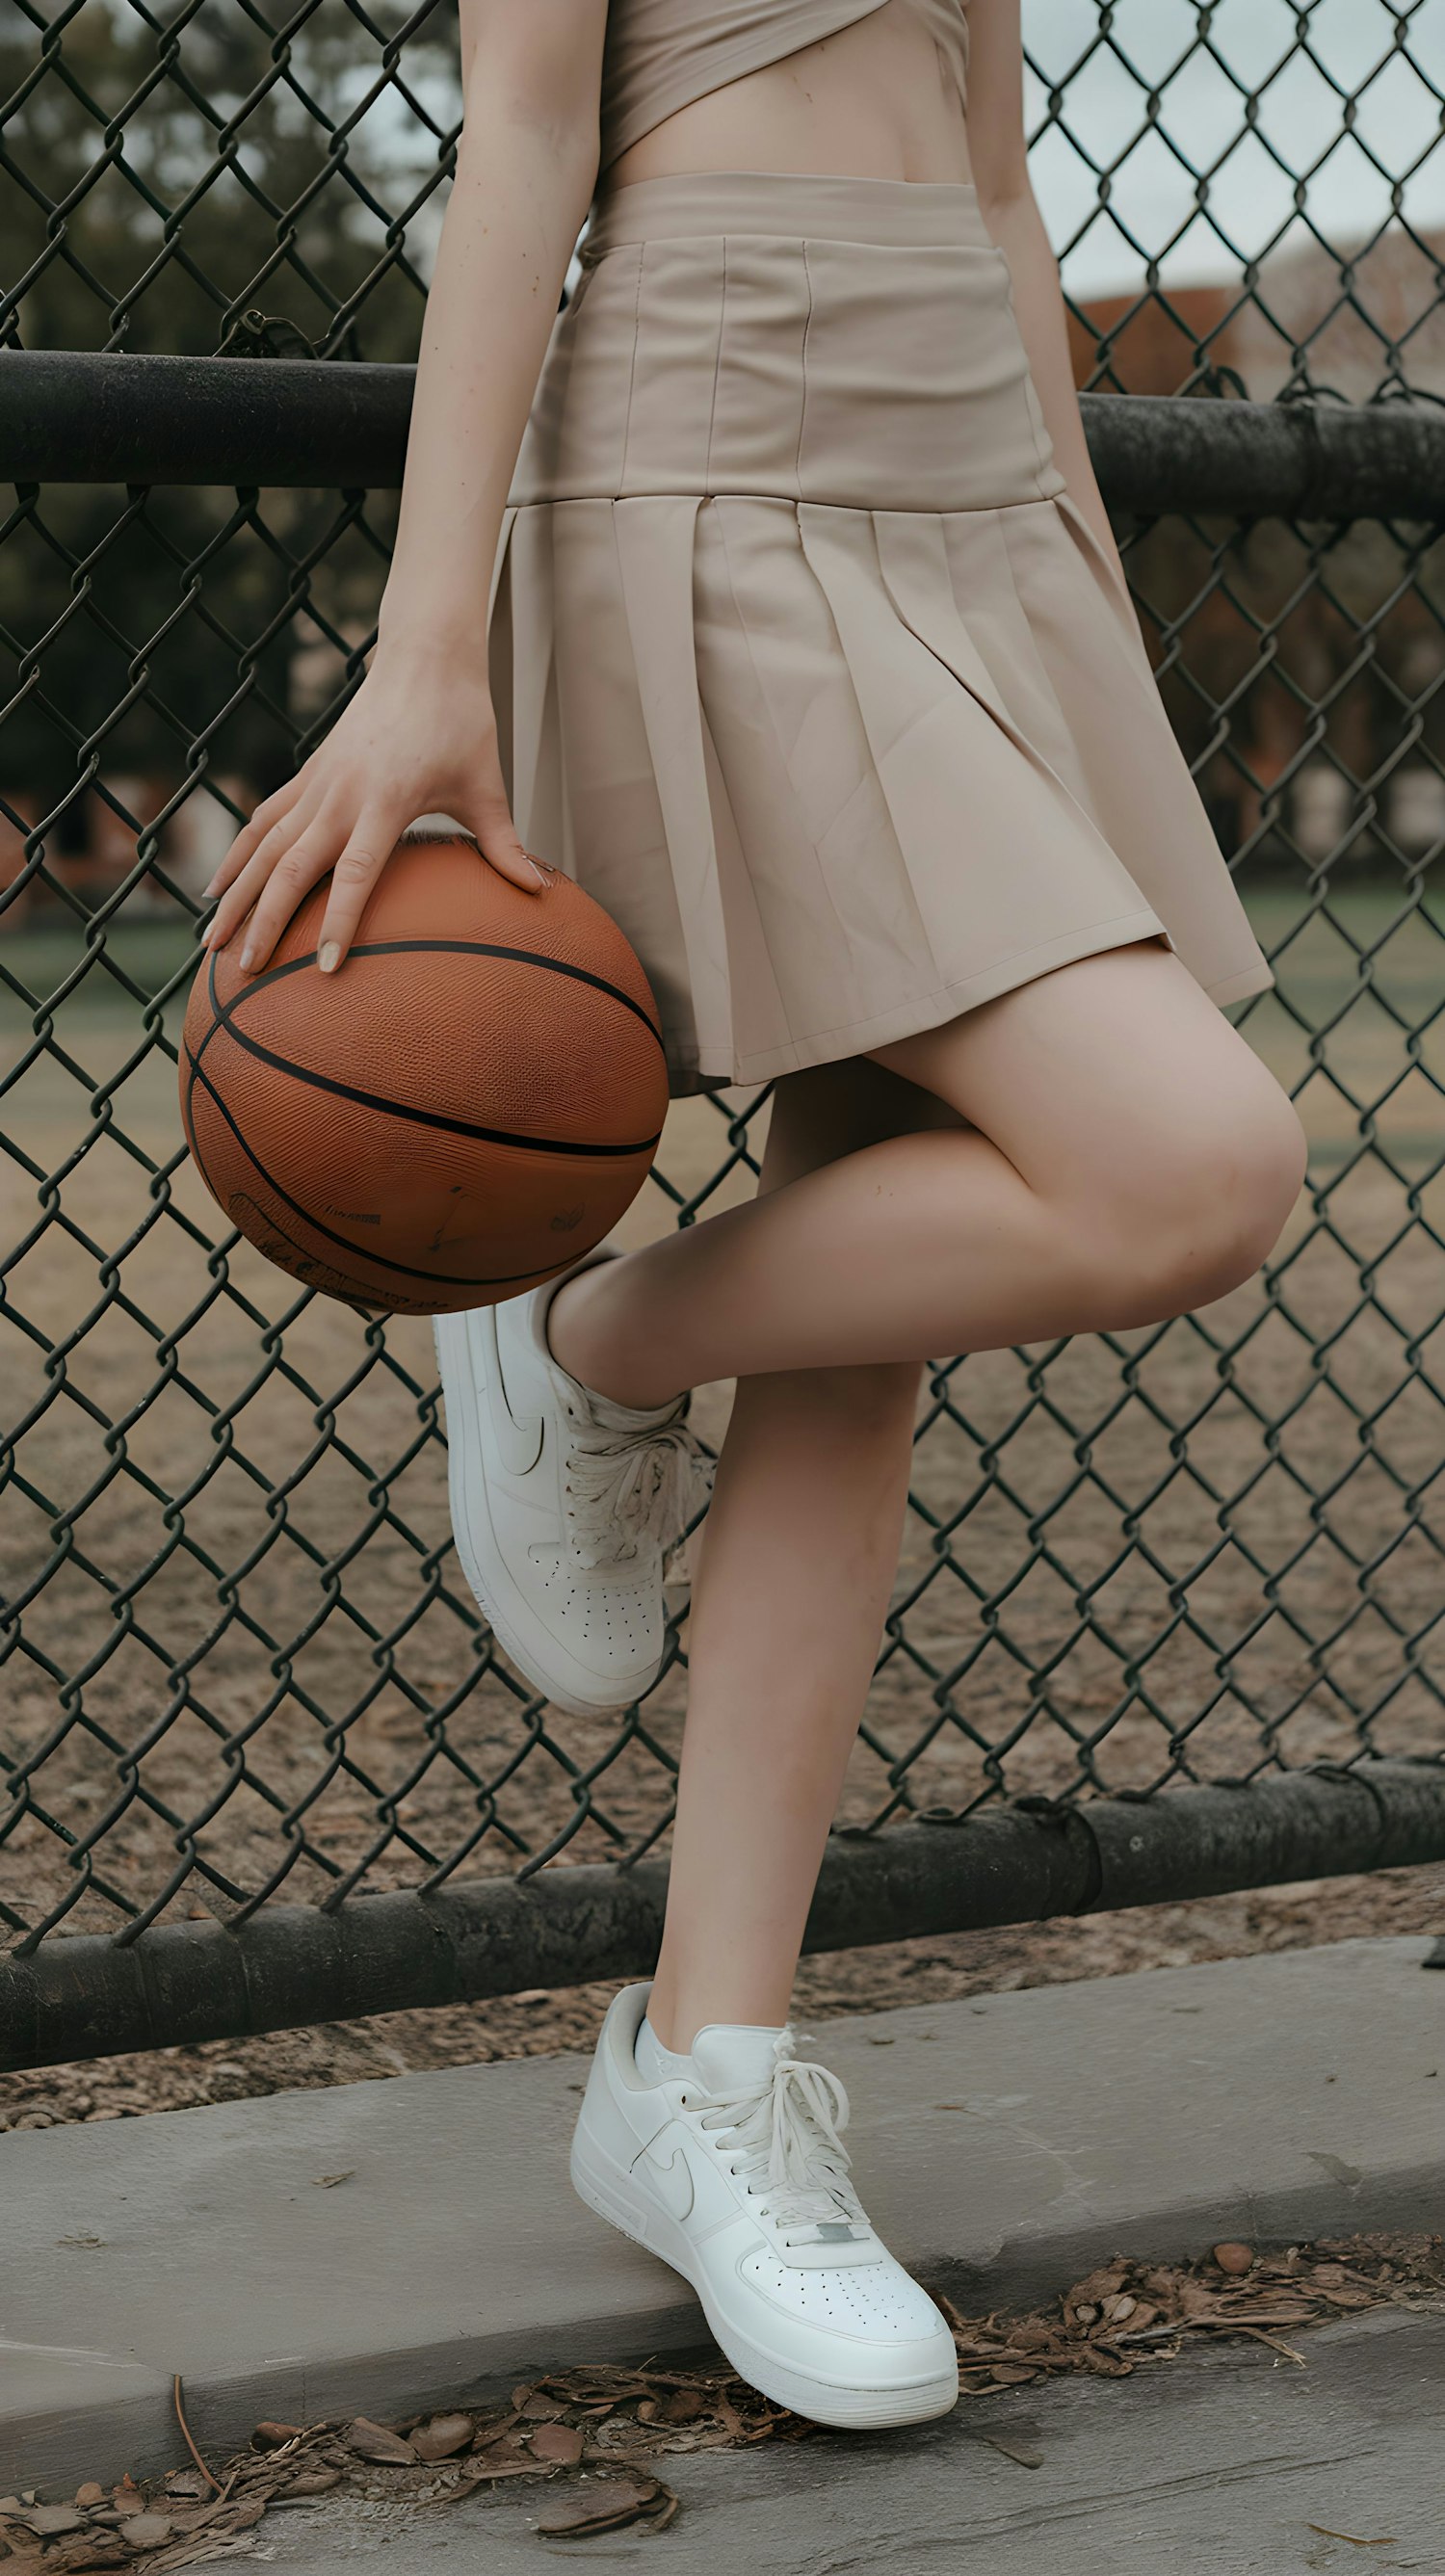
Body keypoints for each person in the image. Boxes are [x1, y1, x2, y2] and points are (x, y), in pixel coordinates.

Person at [200, 0, 1306, 2431]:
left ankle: (708, 2070)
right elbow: (521, 136)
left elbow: (1001, 176)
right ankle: (593, 1343)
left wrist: (1088, 622)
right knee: (1198, 1162)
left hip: (977, 496)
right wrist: (423, 648)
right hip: (720, 451)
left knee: (865, 1298)